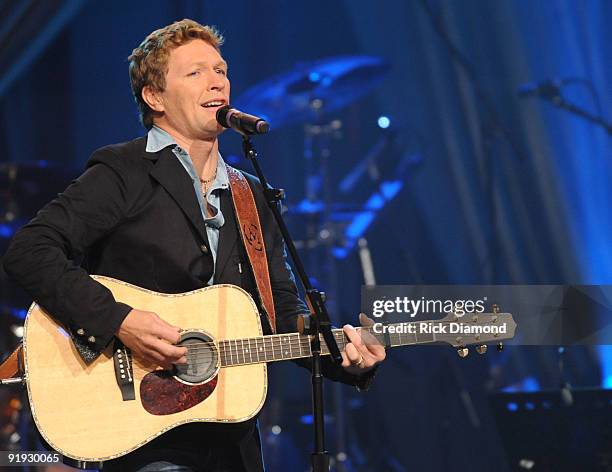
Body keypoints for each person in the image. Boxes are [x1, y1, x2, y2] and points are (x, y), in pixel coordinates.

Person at [3, 18, 385, 472]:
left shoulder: (251, 194)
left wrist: (347, 359)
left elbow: (280, 310)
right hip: (142, 432)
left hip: (231, 439)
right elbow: (31, 249)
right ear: (155, 97)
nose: (216, 81)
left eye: (221, 70)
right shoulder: (124, 171)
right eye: (195, 72)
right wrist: (119, 320)